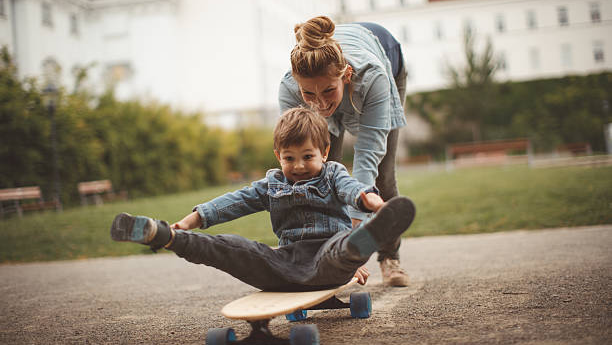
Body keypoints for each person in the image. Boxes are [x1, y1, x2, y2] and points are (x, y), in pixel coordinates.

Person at [110, 107, 415, 291]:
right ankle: (168, 236)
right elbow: (234, 201)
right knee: (234, 248)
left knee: (341, 250)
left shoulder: (332, 173)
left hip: (328, 257)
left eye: (307, 156)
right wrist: (192, 220)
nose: (297, 166)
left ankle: (363, 243)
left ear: (324, 152)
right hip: (285, 264)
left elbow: (351, 188)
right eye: (289, 158)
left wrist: (374, 203)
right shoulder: (273, 184)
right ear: (277, 156)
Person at [279, 15, 410, 286]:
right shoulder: (290, 90)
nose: (320, 104)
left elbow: (367, 157)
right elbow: (303, 171)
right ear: (297, 83)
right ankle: (320, 255)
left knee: (382, 179)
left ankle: (390, 257)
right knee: (318, 173)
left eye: (328, 91)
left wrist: (351, 243)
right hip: (338, 68)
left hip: (386, 56)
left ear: (346, 76)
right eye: (309, 94)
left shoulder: (372, 76)